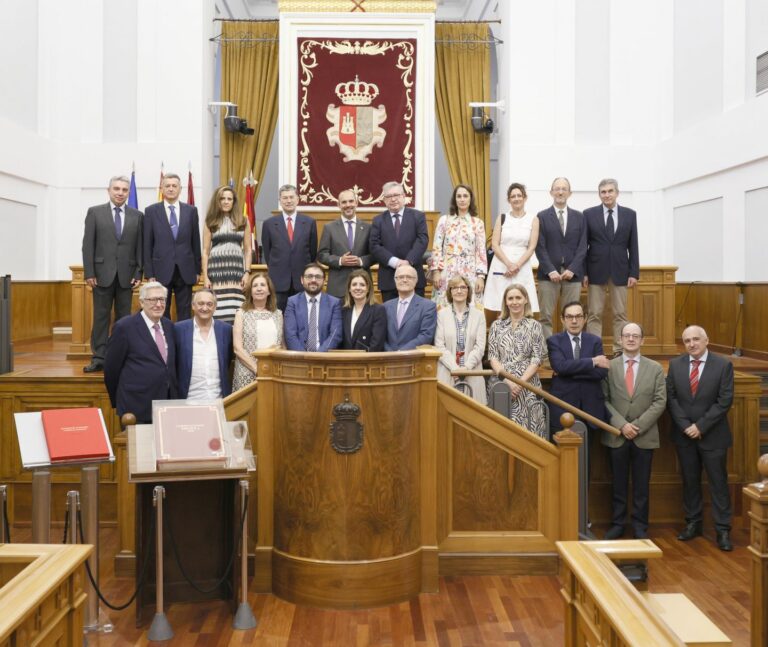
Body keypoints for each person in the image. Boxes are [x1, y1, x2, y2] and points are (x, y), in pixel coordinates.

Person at [667, 325, 735, 552]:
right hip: (684, 435)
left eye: (696, 339)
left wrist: (701, 426)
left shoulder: (723, 364)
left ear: (707, 340)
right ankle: (693, 523)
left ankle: (723, 530)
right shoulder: (676, 365)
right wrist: (686, 426)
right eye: (687, 340)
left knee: (718, 484)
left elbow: (724, 400)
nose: (691, 344)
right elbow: (672, 398)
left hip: (713, 435)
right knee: (690, 481)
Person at [601, 323, 666, 540]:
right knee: (618, 484)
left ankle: (640, 526)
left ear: (642, 340)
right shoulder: (608, 367)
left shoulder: (655, 368)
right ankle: (618, 524)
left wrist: (637, 426)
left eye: (635, 336)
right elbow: (604, 400)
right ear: (620, 339)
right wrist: (622, 425)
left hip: (644, 436)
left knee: (641, 486)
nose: (631, 339)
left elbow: (659, 402)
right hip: (616, 435)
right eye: (627, 335)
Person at [81, 175, 143, 373]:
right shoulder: (95, 213)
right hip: (100, 275)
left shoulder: (138, 216)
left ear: (128, 192)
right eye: (116, 189)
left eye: (124, 190)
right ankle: (99, 357)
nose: (120, 193)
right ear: (109, 190)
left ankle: (121, 356)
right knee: (101, 317)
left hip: (127, 276)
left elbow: (140, 247)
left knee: (124, 318)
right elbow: (87, 245)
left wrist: (139, 272)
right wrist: (89, 272)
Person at [104, 281, 177, 424]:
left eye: (162, 299)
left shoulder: (169, 326)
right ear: (142, 302)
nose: (158, 304)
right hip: (136, 407)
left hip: (167, 406)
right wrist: (119, 402)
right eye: (152, 300)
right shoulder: (124, 327)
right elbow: (111, 370)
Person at [583, 178, 639, 354]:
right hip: (595, 271)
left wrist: (634, 273)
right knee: (594, 314)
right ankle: (595, 350)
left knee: (620, 314)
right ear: (599, 194)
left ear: (617, 193)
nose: (607, 195)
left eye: (610, 191)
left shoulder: (630, 214)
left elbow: (633, 245)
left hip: (621, 271)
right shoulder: (588, 214)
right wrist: (584, 272)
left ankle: (619, 350)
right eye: (603, 192)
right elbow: (583, 246)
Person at [487, 284, 547, 438]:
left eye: (518, 298)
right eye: (510, 298)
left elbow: (536, 359)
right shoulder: (496, 326)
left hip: (527, 386)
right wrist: (508, 381)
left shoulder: (535, 326)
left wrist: (519, 383)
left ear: (525, 300)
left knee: (529, 434)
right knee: (501, 433)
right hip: (501, 384)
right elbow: (493, 357)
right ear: (505, 302)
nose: (515, 302)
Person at [143, 173, 202, 321]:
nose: (170, 189)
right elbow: (147, 244)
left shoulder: (191, 211)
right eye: (167, 186)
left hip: (186, 270)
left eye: (174, 186)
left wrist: (197, 269)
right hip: (160, 270)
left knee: (185, 312)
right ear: (161, 188)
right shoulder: (151, 211)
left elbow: (195, 242)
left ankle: (183, 343)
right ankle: (165, 343)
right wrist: (149, 273)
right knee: (161, 311)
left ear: (180, 189)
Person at [546, 301, 610, 438]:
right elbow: (560, 367)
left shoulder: (595, 341)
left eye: (578, 316)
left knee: (586, 456)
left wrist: (568, 372)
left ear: (585, 318)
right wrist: (592, 362)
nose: (574, 321)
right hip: (562, 407)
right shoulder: (554, 341)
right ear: (562, 320)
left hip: (591, 409)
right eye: (569, 317)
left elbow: (601, 372)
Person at [535, 177, 588, 339]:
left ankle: (569, 353)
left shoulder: (580, 217)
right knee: (545, 317)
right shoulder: (542, 216)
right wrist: (550, 270)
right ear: (551, 192)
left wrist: (573, 269)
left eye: (564, 189)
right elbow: (539, 246)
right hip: (548, 276)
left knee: (572, 317)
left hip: (573, 276)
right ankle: (546, 355)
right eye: (557, 188)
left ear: (570, 193)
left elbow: (583, 246)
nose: (560, 192)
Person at [483, 183, 540, 319]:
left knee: (522, 303)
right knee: (500, 303)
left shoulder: (533, 219)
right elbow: (495, 245)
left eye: (519, 195)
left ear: (525, 198)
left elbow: (532, 247)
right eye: (513, 196)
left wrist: (516, 265)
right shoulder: (502, 218)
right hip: (502, 263)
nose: (516, 199)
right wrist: (509, 264)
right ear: (509, 200)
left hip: (522, 264)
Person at [261, 184, 318, 311]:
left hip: (302, 281)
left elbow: (313, 252)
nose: (288, 201)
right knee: (278, 319)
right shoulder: (269, 224)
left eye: (291, 197)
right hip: (278, 282)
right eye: (285, 198)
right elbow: (267, 252)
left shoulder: (309, 222)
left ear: (298, 199)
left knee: (303, 318)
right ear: (280, 201)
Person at [429, 184, 487, 308]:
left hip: (469, 272)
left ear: (470, 199)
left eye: (465, 196)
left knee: (470, 308)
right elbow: (437, 247)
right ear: (454, 199)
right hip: (446, 270)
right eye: (459, 196)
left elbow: (481, 252)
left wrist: (481, 277)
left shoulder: (477, 223)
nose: (462, 199)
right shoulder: (444, 220)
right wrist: (436, 272)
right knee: (444, 307)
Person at [370, 181, 429, 302]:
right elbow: (374, 245)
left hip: (414, 277)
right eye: (389, 196)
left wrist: (408, 262)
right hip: (389, 280)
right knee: (390, 318)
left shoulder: (418, 216)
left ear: (403, 196)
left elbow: (422, 240)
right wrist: (396, 262)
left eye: (396, 195)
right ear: (384, 200)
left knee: (416, 316)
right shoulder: (378, 220)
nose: (393, 199)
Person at [201, 185, 252, 323]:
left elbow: (247, 249)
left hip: (236, 272)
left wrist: (247, 272)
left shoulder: (243, 220)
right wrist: (205, 277)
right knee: (218, 311)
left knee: (237, 310)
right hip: (216, 273)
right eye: (222, 198)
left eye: (229, 199)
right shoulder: (210, 221)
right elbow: (205, 251)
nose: (225, 201)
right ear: (217, 201)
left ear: (234, 202)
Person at [435, 275, 487, 404]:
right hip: (448, 372)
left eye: (463, 287)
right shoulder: (441, 314)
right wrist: (455, 368)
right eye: (455, 287)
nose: (459, 291)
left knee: (473, 415)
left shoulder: (479, 315)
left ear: (468, 291)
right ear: (450, 291)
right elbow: (439, 346)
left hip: (472, 372)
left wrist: (466, 368)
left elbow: (480, 347)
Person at [174, 289, 233, 401]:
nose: (205, 308)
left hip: (219, 400)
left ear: (215, 307)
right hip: (188, 400)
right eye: (200, 303)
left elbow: (227, 360)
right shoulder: (178, 329)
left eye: (209, 304)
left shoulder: (225, 330)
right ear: (193, 306)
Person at [232, 272, 283, 391]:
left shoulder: (278, 314)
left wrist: (270, 370)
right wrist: (257, 369)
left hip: (272, 373)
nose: (259, 288)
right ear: (250, 291)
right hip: (247, 372)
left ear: (269, 291)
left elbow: (282, 345)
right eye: (255, 286)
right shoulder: (241, 314)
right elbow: (237, 348)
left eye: (262, 285)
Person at [317, 189, 372, 299]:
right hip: (338, 287)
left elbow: (375, 254)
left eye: (351, 201)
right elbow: (322, 255)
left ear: (356, 203)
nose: (348, 205)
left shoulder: (368, 228)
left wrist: (360, 261)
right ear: (338, 205)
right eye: (344, 202)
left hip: (362, 285)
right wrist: (340, 261)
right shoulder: (329, 228)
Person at [284, 263, 342, 352]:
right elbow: (290, 335)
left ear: (324, 280)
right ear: (302, 280)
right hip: (299, 359)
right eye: (309, 276)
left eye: (318, 277)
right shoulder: (293, 302)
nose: (313, 280)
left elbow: (335, 335)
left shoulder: (334, 303)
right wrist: (304, 358)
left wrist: (318, 356)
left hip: (325, 358)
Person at [383, 265, 437, 351]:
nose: (404, 280)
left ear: (416, 280)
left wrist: (402, 352)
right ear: (395, 280)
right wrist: (391, 354)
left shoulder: (428, 306)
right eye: (400, 277)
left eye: (409, 277)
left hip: (415, 359)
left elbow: (426, 335)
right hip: (388, 359)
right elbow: (381, 336)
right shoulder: (385, 306)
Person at [341, 269, 386, 351]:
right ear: (349, 289)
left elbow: (377, 343)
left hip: (367, 361)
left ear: (368, 288)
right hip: (345, 361)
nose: (358, 288)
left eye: (362, 285)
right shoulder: (344, 310)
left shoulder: (378, 310)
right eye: (354, 284)